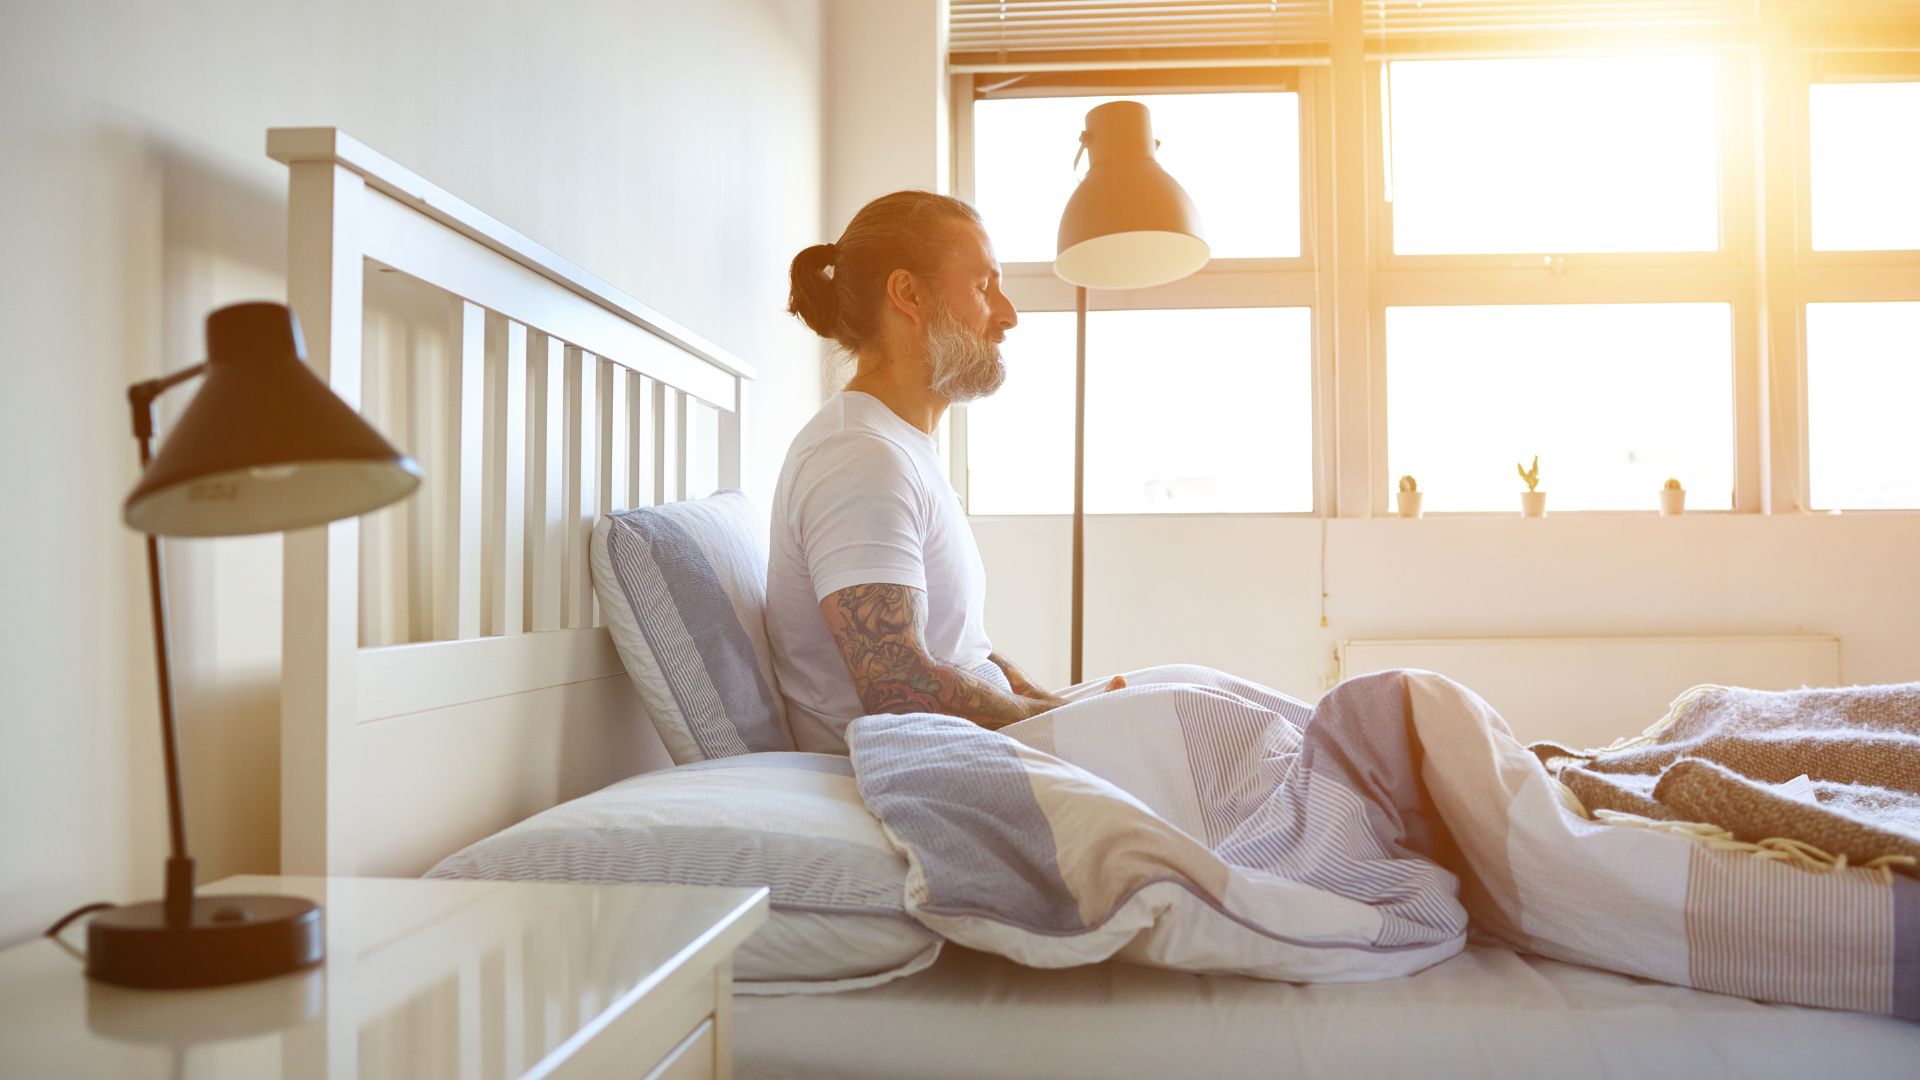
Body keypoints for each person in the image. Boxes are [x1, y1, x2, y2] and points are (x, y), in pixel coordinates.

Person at [766, 190, 1122, 753]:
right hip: (913, 759)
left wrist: (1050, 704)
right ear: (908, 294)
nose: (1007, 315)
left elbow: (958, 645)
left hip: (952, 740)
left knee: (1198, 698)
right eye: (983, 287)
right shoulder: (858, 459)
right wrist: (1060, 727)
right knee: (1215, 727)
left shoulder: (897, 447)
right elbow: (897, 686)